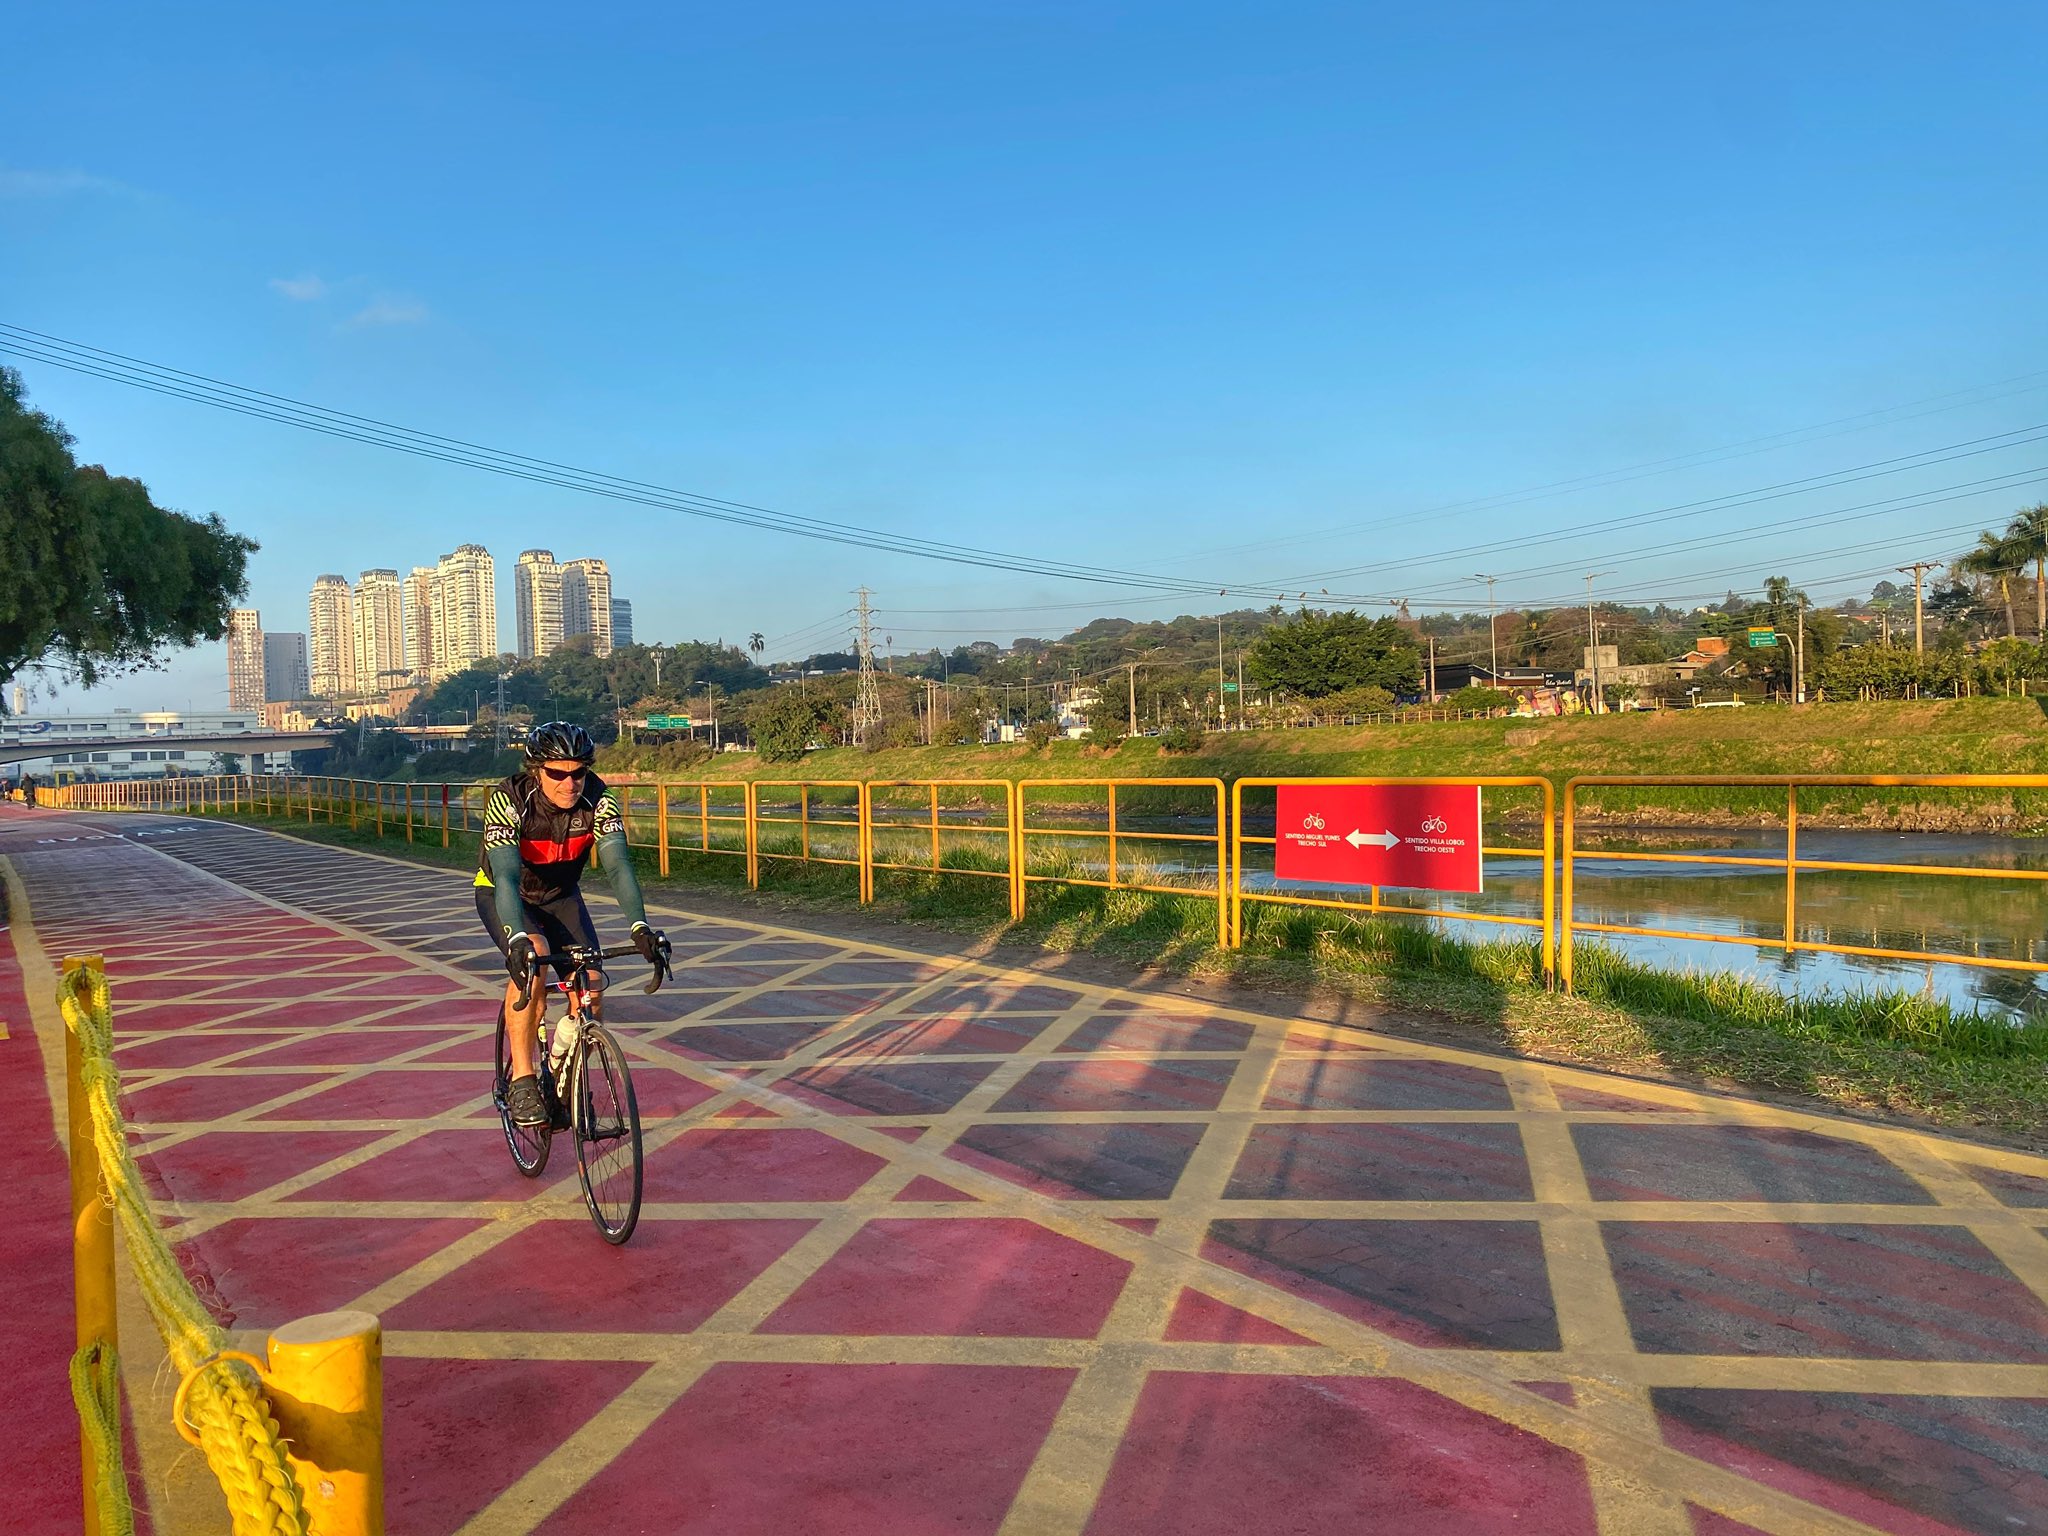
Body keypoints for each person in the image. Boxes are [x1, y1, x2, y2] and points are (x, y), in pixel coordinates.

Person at [477, 722, 666, 1126]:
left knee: (592, 986)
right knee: (535, 960)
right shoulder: (508, 799)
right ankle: (524, 1081)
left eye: (577, 772)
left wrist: (640, 927)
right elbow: (507, 876)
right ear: (536, 771)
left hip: (561, 896)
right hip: (506, 894)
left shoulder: (599, 799)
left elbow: (618, 866)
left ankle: (564, 1070)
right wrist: (516, 940)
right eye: (557, 773)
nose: (569, 783)